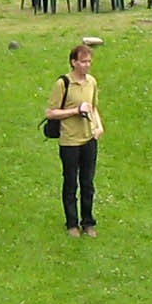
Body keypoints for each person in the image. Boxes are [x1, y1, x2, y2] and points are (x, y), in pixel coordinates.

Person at [46, 43, 101, 237]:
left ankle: (88, 222)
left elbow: (93, 107)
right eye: (83, 61)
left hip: (89, 139)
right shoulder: (63, 83)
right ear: (73, 62)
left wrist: (98, 126)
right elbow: (51, 112)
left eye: (89, 61)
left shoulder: (92, 82)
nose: (87, 65)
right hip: (69, 141)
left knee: (88, 183)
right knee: (70, 183)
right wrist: (76, 111)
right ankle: (71, 224)